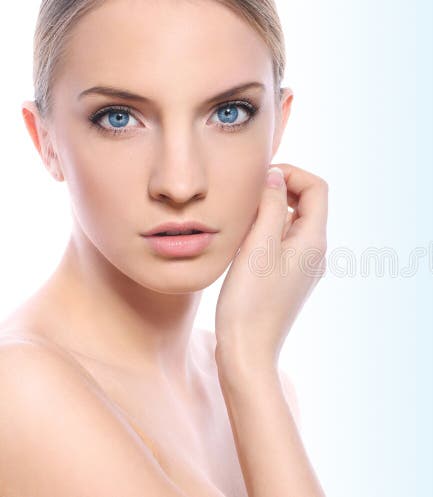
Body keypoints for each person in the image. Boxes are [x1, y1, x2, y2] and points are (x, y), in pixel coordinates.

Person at [0, 0, 328, 496]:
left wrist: (249, 369)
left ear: (278, 125)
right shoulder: (19, 392)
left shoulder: (257, 383)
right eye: (117, 118)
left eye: (228, 112)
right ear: (44, 139)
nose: (179, 183)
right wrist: (249, 368)